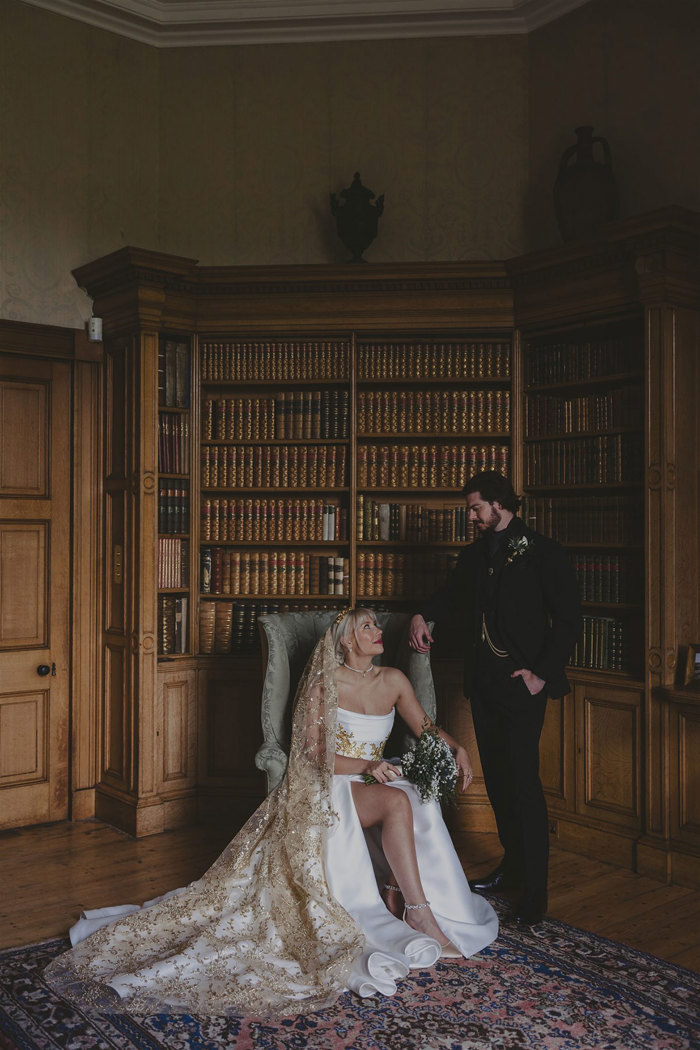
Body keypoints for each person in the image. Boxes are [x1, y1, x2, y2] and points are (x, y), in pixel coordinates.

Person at [45, 608, 497, 1017]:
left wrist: (457, 749)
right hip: (334, 782)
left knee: (417, 796)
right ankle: (418, 912)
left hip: (375, 775)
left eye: (377, 625)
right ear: (345, 639)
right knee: (398, 799)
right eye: (367, 626)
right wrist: (367, 767)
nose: (378, 631)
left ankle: (400, 892)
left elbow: (426, 728)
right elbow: (312, 756)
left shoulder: (395, 679)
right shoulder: (326, 683)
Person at [409, 471, 582, 925]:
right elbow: (450, 596)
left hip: (523, 686)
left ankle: (537, 890)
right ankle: (514, 866)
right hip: (483, 685)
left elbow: (567, 621)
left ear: (500, 505)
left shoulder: (543, 552)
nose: (470, 516)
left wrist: (540, 676)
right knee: (501, 782)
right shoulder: (474, 556)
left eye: (475, 507)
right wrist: (423, 614)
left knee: (524, 783)